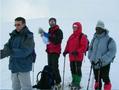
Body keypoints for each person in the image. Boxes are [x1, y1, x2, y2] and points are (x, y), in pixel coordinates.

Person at [0, 17, 35, 90]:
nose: (16, 26)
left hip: (23, 67)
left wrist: (10, 51)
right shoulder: (14, 35)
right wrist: (2, 53)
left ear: (24, 24)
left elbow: (25, 51)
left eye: (18, 24)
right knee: (15, 88)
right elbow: (7, 46)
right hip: (14, 67)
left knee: (26, 88)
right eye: (15, 25)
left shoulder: (28, 36)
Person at [88, 20, 116, 90]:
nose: (97, 30)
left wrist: (102, 59)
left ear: (103, 29)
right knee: (97, 79)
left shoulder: (109, 39)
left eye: (99, 28)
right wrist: (91, 58)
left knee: (105, 78)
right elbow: (90, 49)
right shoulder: (94, 39)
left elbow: (112, 51)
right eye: (96, 28)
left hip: (104, 64)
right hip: (95, 63)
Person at [63, 22, 88, 88]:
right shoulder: (71, 36)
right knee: (72, 69)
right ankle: (74, 81)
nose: (74, 28)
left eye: (75, 27)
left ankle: (77, 83)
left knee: (77, 69)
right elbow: (68, 45)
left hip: (78, 57)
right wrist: (65, 51)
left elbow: (84, 47)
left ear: (79, 27)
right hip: (71, 57)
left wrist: (77, 51)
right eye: (73, 27)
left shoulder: (82, 36)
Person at [46, 17, 63, 88]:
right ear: (49, 23)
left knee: (55, 67)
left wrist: (49, 37)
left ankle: (58, 81)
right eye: (50, 22)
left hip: (55, 52)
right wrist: (47, 49)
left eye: (53, 21)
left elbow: (57, 41)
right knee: (50, 66)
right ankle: (52, 80)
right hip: (49, 51)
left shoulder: (59, 31)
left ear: (55, 22)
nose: (52, 23)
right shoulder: (49, 31)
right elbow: (48, 42)